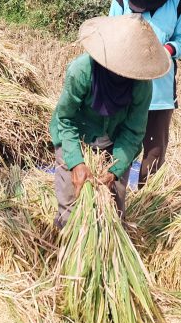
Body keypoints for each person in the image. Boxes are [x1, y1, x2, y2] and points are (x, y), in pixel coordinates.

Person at [50, 13, 171, 228]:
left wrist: (115, 170)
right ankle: (67, 248)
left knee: (113, 211)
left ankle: (108, 253)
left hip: (115, 143)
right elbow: (65, 119)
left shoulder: (141, 84)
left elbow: (134, 132)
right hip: (77, 138)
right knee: (70, 206)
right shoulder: (81, 71)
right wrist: (76, 162)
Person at [109, 0, 181, 187]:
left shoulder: (176, 4)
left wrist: (167, 48)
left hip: (160, 92)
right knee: (119, 149)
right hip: (125, 88)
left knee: (155, 151)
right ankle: (115, 202)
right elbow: (110, 35)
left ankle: (146, 205)